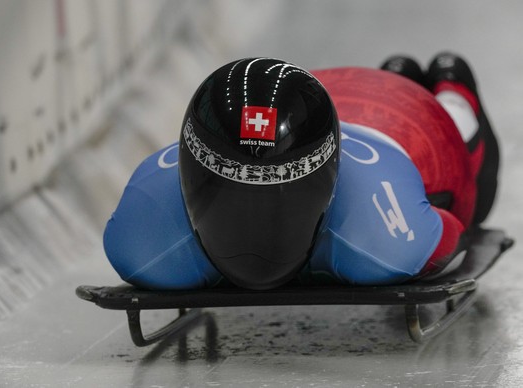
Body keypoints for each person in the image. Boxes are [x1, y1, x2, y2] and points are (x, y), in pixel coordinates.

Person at [103, 53, 499, 290]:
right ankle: (414, 77)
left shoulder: (142, 244)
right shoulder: (384, 245)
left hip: (406, 126)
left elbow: (453, 227)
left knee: (465, 176)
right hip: (329, 108)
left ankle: (452, 93)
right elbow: (446, 235)